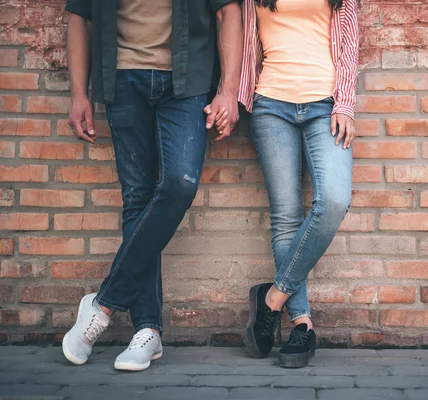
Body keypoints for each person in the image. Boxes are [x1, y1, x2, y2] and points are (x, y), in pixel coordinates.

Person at [62, 0, 242, 372]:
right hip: (122, 78)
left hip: (187, 78)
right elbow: (80, 15)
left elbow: (228, 12)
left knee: (180, 183)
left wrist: (228, 89)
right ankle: (147, 330)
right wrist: (79, 94)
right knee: (137, 199)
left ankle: (103, 304)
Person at [239, 0, 358, 368]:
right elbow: (240, 37)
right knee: (286, 217)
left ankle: (272, 299)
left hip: (325, 104)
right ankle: (301, 323)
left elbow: (350, 43)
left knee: (334, 200)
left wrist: (345, 104)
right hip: (271, 103)